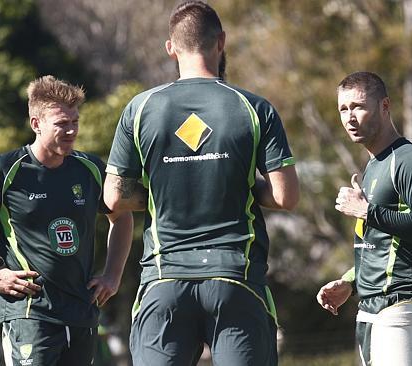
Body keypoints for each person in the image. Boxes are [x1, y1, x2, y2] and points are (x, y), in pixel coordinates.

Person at [103, 2, 299, 365]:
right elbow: (286, 196)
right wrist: (236, 183)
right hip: (235, 277)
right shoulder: (254, 108)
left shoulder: (141, 107)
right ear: (220, 42)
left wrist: (166, 188)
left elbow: (113, 198)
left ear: (170, 47)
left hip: (164, 277)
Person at [0, 75, 133, 366]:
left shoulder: (90, 169)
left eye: (75, 121)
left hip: (82, 315)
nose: (72, 130)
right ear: (36, 124)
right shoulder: (4, 171)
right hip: (30, 316)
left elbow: (121, 215)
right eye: (62, 123)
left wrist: (113, 274)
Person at [316, 71, 412, 366]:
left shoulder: (410, 160)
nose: (350, 117)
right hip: (371, 308)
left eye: (358, 106)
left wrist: (367, 211)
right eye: (343, 109)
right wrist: (351, 280)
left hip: (404, 307)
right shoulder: (374, 165)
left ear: (385, 106)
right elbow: (382, 243)